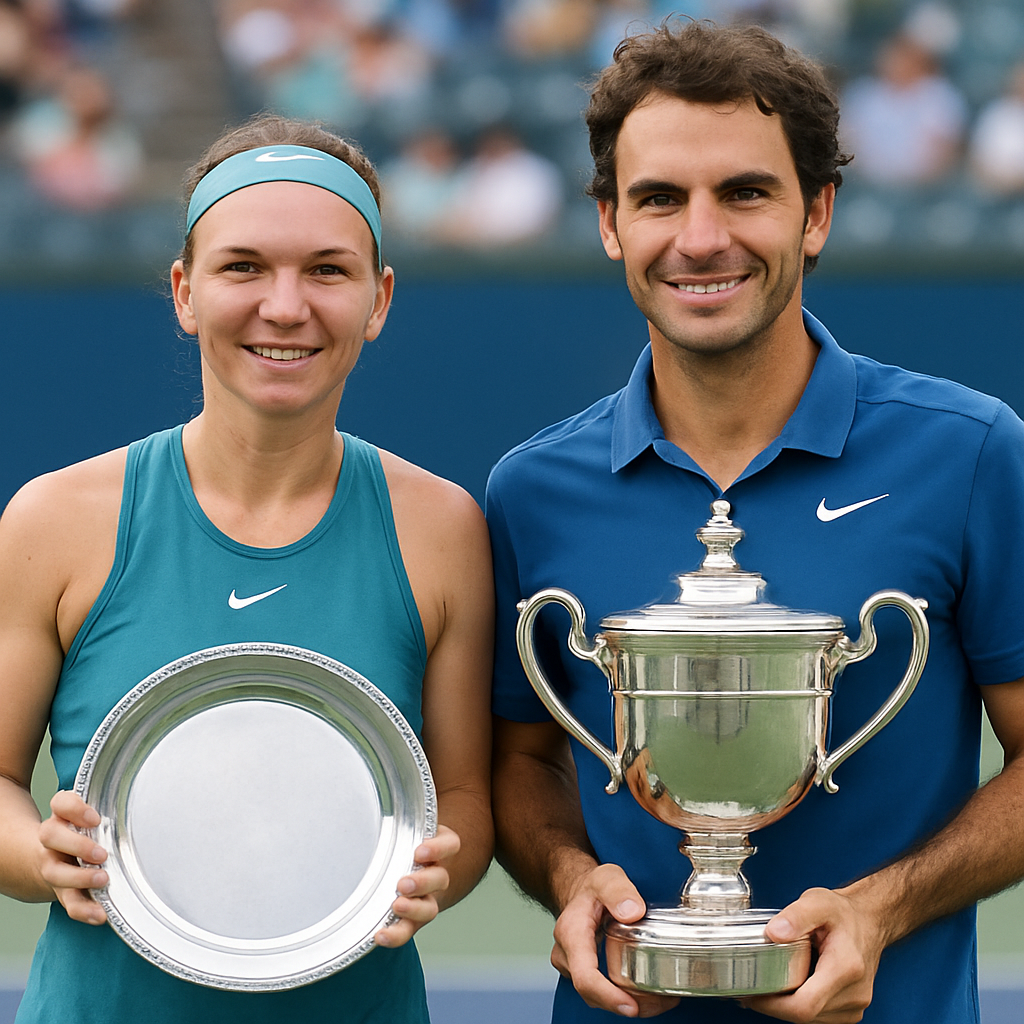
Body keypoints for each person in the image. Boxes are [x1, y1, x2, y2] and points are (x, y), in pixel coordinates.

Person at [486, 20, 1024, 1024]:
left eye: (744, 192)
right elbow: (521, 761)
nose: (699, 238)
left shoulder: (972, 452)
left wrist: (882, 909)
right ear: (609, 222)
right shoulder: (531, 488)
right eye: (657, 199)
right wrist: (565, 875)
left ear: (815, 213)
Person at [0, 113, 494, 1023]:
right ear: (185, 292)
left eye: (327, 270)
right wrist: (39, 854)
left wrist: (439, 868)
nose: (285, 305)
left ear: (379, 299)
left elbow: (461, 796)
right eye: (244, 267)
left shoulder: (443, 527)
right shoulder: (54, 520)